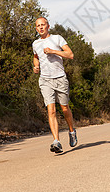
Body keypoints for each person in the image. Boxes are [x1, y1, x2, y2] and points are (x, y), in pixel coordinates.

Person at [32, 17, 77, 153]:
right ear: (36, 28)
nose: (41, 27)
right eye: (38, 26)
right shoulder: (35, 43)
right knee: (51, 110)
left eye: (43, 25)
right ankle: (56, 141)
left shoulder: (57, 38)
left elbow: (70, 55)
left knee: (64, 109)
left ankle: (71, 131)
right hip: (45, 80)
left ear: (48, 26)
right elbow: (36, 56)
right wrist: (36, 66)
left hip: (60, 78)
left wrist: (53, 51)